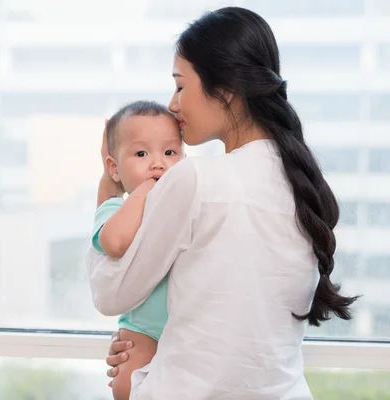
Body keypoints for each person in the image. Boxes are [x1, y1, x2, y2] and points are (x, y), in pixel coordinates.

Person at [86, 6, 358, 399]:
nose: (173, 104)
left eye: (181, 86)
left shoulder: (196, 179)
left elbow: (112, 295)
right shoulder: (302, 184)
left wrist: (107, 198)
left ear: (225, 90)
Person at [93, 100, 183, 400]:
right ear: (115, 168)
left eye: (170, 152)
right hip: (142, 329)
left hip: (188, 327)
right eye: (142, 153)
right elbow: (115, 243)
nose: (158, 163)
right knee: (125, 386)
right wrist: (143, 192)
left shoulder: (186, 200)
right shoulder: (115, 209)